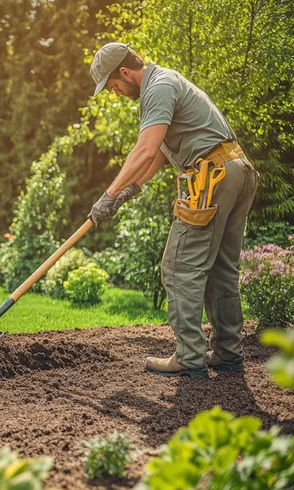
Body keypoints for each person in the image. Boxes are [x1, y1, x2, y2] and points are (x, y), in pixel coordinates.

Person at [87, 42, 258, 378]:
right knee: (221, 267)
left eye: (113, 86)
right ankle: (227, 353)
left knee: (178, 266)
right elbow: (164, 151)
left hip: (212, 175)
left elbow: (146, 149)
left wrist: (109, 193)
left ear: (124, 72)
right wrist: (131, 189)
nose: (115, 92)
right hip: (236, 170)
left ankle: (189, 355)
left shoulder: (158, 88)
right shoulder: (167, 81)